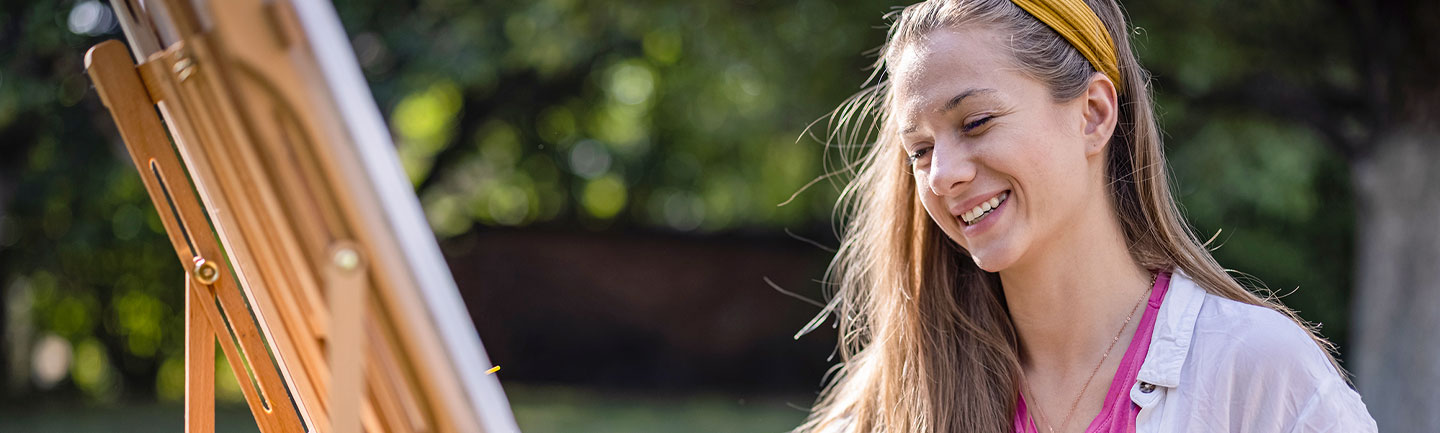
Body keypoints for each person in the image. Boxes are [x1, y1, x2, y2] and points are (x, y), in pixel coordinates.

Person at [794, 0, 1378, 432]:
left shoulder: (1257, 372)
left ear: (1094, 114)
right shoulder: (887, 409)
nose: (942, 174)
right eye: (919, 150)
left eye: (975, 123)